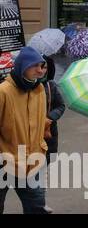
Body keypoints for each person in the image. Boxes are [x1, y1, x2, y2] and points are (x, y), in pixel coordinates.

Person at [0, 48, 50, 214]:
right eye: (34, 65)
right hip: (5, 162)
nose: (40, 70)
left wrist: (42, 143)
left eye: (42, 66)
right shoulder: (4, 91)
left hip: (32, 162)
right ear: (22, 66)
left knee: (37, 208)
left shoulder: (39, 90)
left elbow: (40, 122)